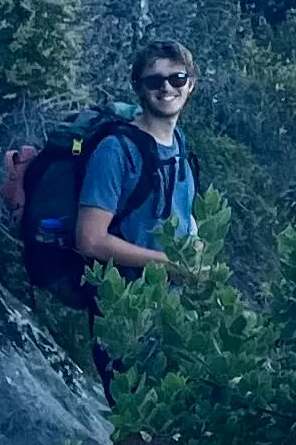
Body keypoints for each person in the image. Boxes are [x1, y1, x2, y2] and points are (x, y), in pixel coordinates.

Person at [74, 41, 201, 292]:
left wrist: (195, 246)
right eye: (154, 82)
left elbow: (180, 208)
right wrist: (167, 265)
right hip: (126, 307)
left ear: (191, 84)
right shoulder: (115, 150)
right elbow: (90, 239)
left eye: (177, 78)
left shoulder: (178, 141)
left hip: (172, 304)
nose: (166, 87)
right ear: (139, 88)